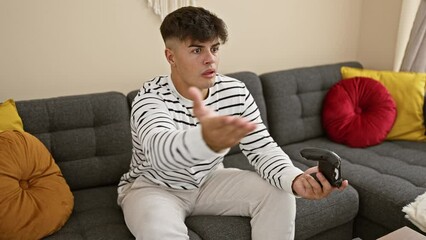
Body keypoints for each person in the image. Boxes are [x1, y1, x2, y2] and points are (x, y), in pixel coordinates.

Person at [118, 6, 348, 240]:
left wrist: (295, 178)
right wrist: (204, 140)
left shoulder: (234, 91)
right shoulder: (150, 98)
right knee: (159, 233)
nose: (210, 59)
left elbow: (262, 148)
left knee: (279, 193)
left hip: (209, 179)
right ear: (171, 56)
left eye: (215, 48)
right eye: (197, 50)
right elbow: (160, 152)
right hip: (154, 187)